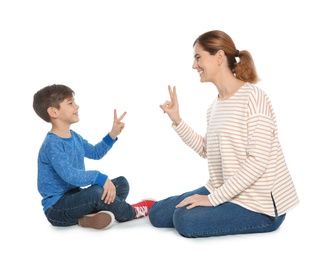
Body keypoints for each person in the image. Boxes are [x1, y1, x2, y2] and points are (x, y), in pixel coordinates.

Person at [148, 30, 299, 238]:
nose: (194, 66)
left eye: (198, 57)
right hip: (225, 191)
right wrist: (177, 119)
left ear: (219, 57)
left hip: (260, 206)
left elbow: (257, 162)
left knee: (184, 220)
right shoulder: (214, 107)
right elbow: (206, 150)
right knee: (157, 213)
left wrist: (212, 199)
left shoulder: (254, 98)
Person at [33, 84, 155, 230]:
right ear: (54, 112)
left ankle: (89, 217)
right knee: (97, 192)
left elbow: (96, 153)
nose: (77, 106)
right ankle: (132, 212)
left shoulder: (75, 137)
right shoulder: (52, 144)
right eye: (70, 103)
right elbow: (69, 175)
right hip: (57, 209)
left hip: (76, 198)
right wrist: (100, 177)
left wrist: (112, 135)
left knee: (121, 183)